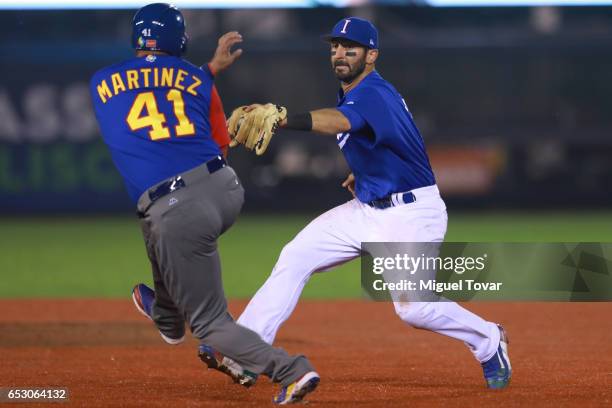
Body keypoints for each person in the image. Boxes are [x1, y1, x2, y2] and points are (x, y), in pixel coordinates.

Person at [219, 16, 512, 390]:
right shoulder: (360, 93)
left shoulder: (372, 92)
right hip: (369, 208)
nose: (340, 54)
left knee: (414, 309)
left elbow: (339, 122)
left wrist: (282, 119)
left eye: (350, 48)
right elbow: (396, 139)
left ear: (371, 55)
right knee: (296, 256)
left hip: (410, 214)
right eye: (335, 47)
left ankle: (489, 340)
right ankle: (248, 352)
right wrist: (368, 170)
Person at [89, 3, 319, 404]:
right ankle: (166, 316)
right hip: (224, 189)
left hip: (176, 210)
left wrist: (205, 71)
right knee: (155, 219)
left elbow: (146, 94)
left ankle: (292, 370)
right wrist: (208, 71)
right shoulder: (197, 80)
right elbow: (219, 143)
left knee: (211, 324)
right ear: (179, 40)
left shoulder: (101, 82)